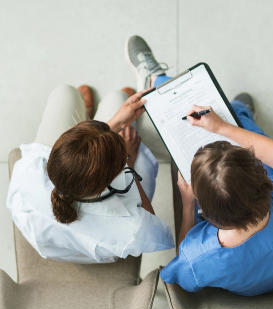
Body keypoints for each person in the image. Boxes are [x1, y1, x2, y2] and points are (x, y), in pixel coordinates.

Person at [133, 46, 273, 296]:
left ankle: (157, 82)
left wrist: (186, 204)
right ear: (265, 182)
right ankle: (238, 111)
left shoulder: (199, 255)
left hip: (249, 277)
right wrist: (223, 128)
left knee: (237, 115)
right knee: (242, 123)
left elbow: (181, 270)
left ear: (207, 214)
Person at [6, 37, 176, 264]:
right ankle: (102, 108)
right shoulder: (130, 226)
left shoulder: (30, 173)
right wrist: (131, 163)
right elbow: (154, 225)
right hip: (95, 249)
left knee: (65, 92)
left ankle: (89, 112)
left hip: (54, 239)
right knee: (117, 97)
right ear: (113, 178)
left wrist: (114, 122)